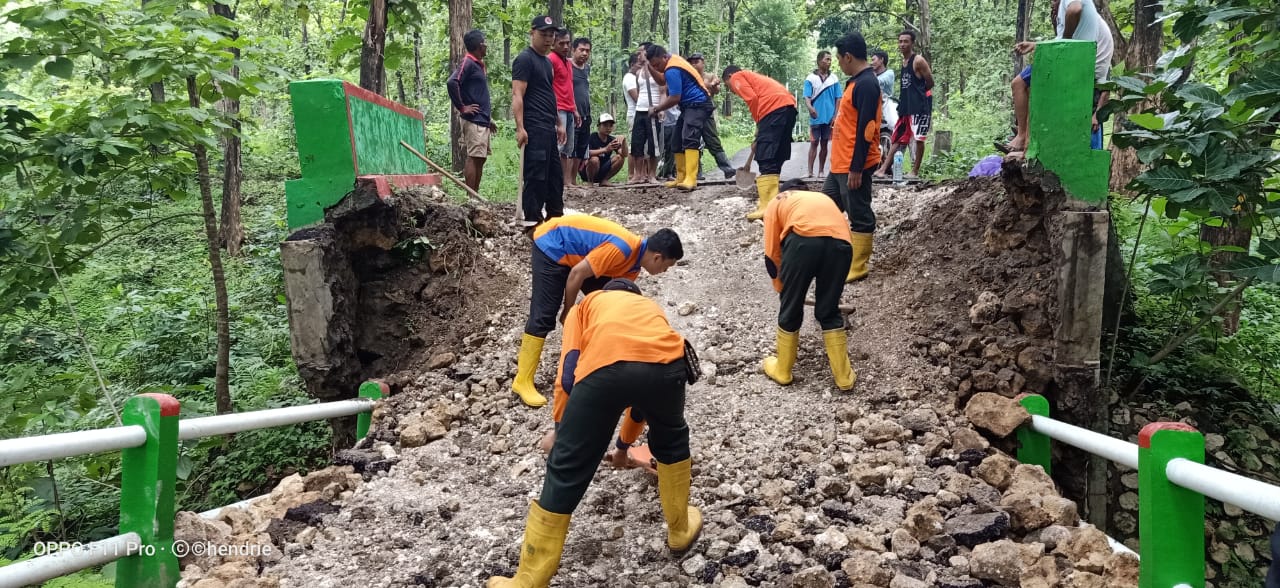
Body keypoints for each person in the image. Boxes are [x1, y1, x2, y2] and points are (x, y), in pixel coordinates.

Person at [487, 279, 702, 588]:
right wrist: (623, 447)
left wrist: (562, 432)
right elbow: (641, 401)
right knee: (672, 441)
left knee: (567, 468)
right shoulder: (650, 308)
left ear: (606, 291)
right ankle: (680, 531)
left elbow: (570, 368)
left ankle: (528, 580)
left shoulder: (586, 305)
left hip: (605, 369)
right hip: (668, 365)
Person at [511, 214, 684, 407]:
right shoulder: (621, 249)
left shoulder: (633, 267)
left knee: (607, 305)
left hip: (578, 257)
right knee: (544, 314)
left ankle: (595, 364)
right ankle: (522, 380)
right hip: (553, 245)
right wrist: (568, 311)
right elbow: (576, 274)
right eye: (667, 266)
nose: (665, 271)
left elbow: (613, 303)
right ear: (657, 257)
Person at [760, 180, 856, 391]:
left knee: (791, 308)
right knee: (828, 310)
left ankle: (783, 371)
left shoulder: (778, 200)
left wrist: (782, 290)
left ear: (785, 191)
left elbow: (771, 254)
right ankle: (844, 378)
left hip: (803, 241)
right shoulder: (823, 198)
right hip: (842, 245)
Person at [1002, 0, 1114, 153]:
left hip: (1077, 67)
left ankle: (1022, 137)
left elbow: (1074, 10)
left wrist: (1065, 42)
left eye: (1053, 1)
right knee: (1027, 88)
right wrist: (1036, 45)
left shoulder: (1074, 6)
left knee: (1020, 84)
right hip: (1079, 69)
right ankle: (1026, 138)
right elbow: (1060, 39)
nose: (1051, 4)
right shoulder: (1091, 21)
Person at [825, 32, 883, 283]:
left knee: (859, 213)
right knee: (826, 206)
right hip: (840, 163)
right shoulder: (855, 81)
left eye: (839, 58)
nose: (838, 63)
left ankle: (858, 265)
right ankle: (830, 253)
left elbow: (867, 128)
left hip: (853, 164)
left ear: (848, 57)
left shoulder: (867, 83)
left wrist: (857, 167)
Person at [723, 66, 799, 220]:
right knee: (777, 154)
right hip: (788, 107)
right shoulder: (757, 79)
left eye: (727, 85)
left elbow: (751, 99)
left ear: (730, 76)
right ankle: (771, 200)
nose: (730, 90)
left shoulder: (737, 76)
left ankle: (767, 206)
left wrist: (760, 124)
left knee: (766, 156)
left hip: (773, 109)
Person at [512, 16, 565, 229]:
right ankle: (532, 221)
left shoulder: (547, 62)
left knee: (555, 176)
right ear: (532, 32)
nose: (548, 39)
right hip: (533, 126)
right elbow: (517, 94)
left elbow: (548, 94)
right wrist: (520, 127)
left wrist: (558, 122)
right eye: (544, 34)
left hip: (548, 127)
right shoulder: (525, 59)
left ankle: (555, 219)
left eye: (551, 35)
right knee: (536, 175)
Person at [647, 44, 713, 191]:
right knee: (676, 141)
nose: (657, 68)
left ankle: (691, 178)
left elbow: (675, 97)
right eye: (653, 65)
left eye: (657, 64)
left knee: (690, 138)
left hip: (698, 104)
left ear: (664, 57)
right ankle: (681, 177)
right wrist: (649, 66)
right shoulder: (671, 61)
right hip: (688, 106)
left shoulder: (672, 69)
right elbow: (661, 81)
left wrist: (657, 108)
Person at [875, 30, 933, 179]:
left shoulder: (918, 60)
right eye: (900, 41)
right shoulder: (904, 62)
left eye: (905, 41)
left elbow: (930, 82)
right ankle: (883, 169)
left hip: (919, 108)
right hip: (905, 108)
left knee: (919, 139)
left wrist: (918, 96)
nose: (902, 44)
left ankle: (915, 171)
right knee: (897, 138)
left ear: (912, 43)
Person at [447, 29, 496, 192]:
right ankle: (471, 197)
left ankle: (475, 194)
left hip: (482, 119)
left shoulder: (477, 64)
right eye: (485, 42)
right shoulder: (468, 62)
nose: (487, 46)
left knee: (480, 158)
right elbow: (452, 82)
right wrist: (462, 107)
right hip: (473, 120)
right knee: (474, 157)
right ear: (480, 46)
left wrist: (488, 119)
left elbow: (478, 93)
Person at [688, 53, 737, 179]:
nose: (693, 64)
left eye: (696, 61)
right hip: (691, 112)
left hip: (706, 111)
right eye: (691, 62)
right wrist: (708, 85)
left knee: (713, 141)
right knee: (693, 142)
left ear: (703, 63)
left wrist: (714, 85)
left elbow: (716, 90)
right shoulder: (688, 77)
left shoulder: (710, 76)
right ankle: (696, 173)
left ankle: (727, 168)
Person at [626, 43, 665, 184]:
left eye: (641, 52)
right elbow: (639, 90)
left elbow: (663, 92)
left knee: (653, 145)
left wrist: (661, 109)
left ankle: (652, 175)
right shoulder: (638, 72)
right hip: (639, 111)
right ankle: (637, 175)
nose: (639, 55)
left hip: (653, 111)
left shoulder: (659, 71)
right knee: (637, 143)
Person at [803, 51, 843, 178]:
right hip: (816, 116)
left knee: (825, 143)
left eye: (830, 60)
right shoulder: (810, 78)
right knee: (814, 142)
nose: (829, 62)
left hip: (829, 117)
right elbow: (807, 97)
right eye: (827, 59)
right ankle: (810, 171)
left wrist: (835, 115)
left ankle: (821, 171)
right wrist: (810, 108)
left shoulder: (834, 79)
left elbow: (838, 98)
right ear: (819, 61)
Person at [550, 29, 580, 189]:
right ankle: (553, 180)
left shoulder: (568, 62)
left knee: (568, 148)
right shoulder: (551, 60)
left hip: (569, 108)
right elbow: (549, 87)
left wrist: (575, 109)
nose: (566, 46)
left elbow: (569, 86)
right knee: (558, 146)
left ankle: (565, 181)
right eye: (561, 43)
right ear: (553, 44)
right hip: (558, 108)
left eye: (568, 43)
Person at [580, 114, 629, 187]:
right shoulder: (592, 137)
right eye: (605, 125)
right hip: (588, 170)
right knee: (594, 159)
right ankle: (590, 182)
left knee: (620, 158)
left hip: (603, 169)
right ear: (599, 126)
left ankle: (604, 180)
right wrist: (605, 149)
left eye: (610, 126)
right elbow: (587, 153)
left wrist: (624, 141)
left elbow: (624, 154)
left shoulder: (611, 139)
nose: (608, 128)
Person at [570, 38, 593, 185]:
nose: (584, 53)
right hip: (572, 113)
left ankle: (573, 180)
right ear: (573, 50)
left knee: (581, 148)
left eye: (587, 51)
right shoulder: (567, 66)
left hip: (586, 114)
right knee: (570, 148)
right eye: (581, 50)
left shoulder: (586, 68)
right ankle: (567, 180)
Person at [871, 49, 898, 133]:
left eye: (873, 59)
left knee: (894, 125)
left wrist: (870, 75)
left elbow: (878, 81)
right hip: (873, 105)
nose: (871, 62)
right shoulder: (871, 74)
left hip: (886, 105)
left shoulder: (889, 73)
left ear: (881, 60)